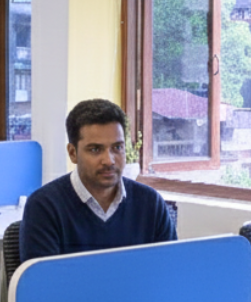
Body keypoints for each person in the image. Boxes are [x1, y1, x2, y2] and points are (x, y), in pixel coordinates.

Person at [19, 99, 176, 261]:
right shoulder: (44, 206)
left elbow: (170, 271)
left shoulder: (150, 202)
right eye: (95, 149)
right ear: (73, 153)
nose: (109, 160)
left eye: (117, 148)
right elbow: (42, 283)